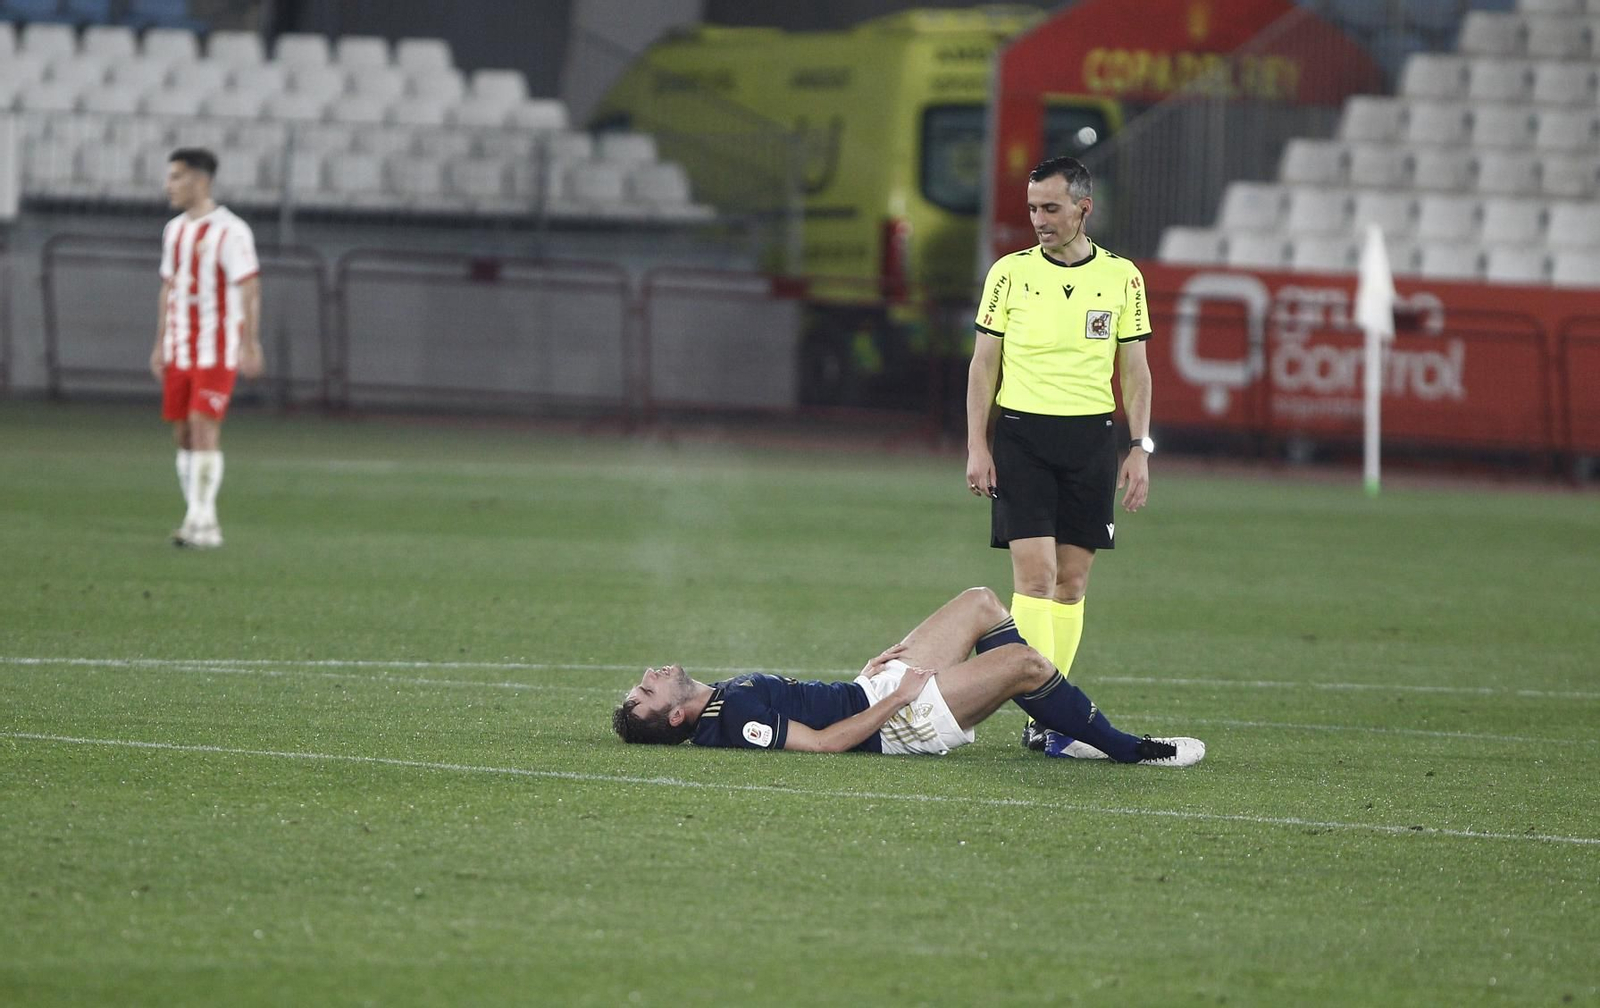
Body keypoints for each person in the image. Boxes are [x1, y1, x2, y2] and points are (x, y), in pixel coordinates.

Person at [964, 155, 1154, 753]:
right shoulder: (1009, 274)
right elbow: (983, 365)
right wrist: (977, 444)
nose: (1039, 220)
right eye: (1032, 209)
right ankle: (1047, 708)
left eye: (1050, 208)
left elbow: (1135, 369)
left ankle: (1048, 719)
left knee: (1071, 584)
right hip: (1022, 439)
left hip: (1092, 441)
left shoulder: (1122, 278)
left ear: (1083, 207)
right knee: (1036, 577)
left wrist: (1139, 446)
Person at [612, 586, 1203, 766]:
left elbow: (813, 707)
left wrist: (865, 679)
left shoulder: (720, 700)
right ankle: (1127, 748)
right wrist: (897, 699)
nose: (648, 675)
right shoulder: (731, 721)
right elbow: (825, 743)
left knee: (981, 603)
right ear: (674, 715)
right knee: (1025, 665)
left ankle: (1061, 730)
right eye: (646, 691)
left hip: (872, 691)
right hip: (898, 722)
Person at [148, 148, 262, 549]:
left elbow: (249, 286)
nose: (169, 185)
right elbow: (168, 287)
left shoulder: (231, 231)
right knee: (183, 433)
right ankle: (204, 522)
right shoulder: (173, 231)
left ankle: (198, 520)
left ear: (201, 180)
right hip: (180, 346)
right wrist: (160, 343)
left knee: (203, 425)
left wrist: (250, 343)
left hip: (217, 345)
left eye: (176, 177)